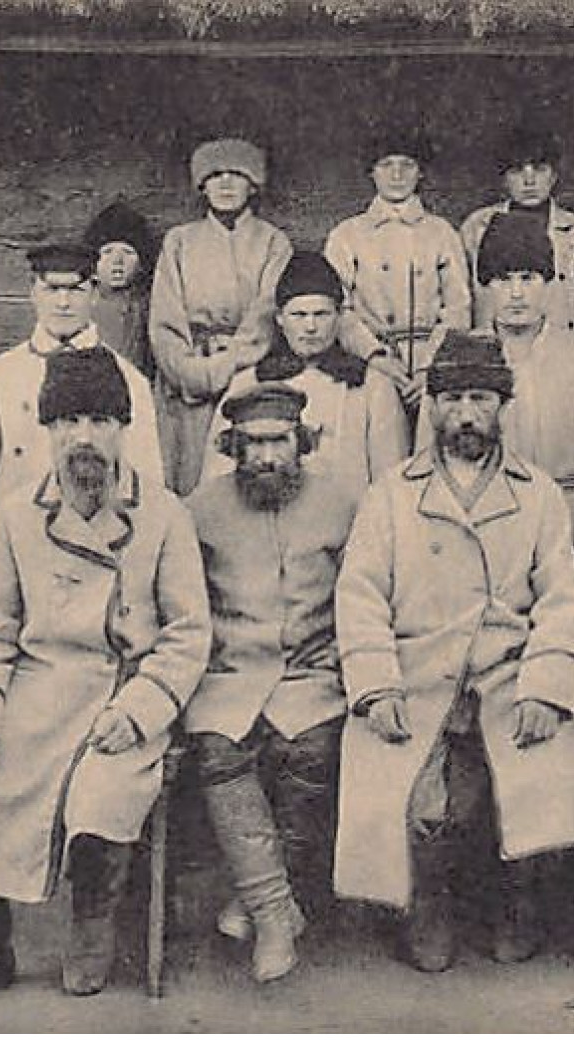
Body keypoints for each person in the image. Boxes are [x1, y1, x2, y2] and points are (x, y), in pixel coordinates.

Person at [0, 348, 211, 1014]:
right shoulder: (20, 515)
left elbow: (189, 634)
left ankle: (91, 931)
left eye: (101, 419)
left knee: (103, 798)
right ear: (45, 430)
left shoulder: (162, 514)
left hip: (122, 693)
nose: (83, 437)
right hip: (36, 690)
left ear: (123, 429)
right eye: (68, 419)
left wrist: (140, 709)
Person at [334, 332, 574, 972]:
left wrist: (545, 688)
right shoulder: (392, 493)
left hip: (508, 677)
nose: (466, 414)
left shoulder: (538, 495)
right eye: (450, 399)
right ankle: (430, 903)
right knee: (418, 798)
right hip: (418, 676)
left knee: (540, 777)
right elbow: (359, 595)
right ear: (432, 409)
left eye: (480, 398)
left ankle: (519, 902)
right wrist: (377, 685)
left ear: (502, 405)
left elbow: (561, 601)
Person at [184, 382, 362, 983]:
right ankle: (276, 913)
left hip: (312, 673)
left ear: (300, 442)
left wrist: (342, 664)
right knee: (219, 752)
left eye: (278, 442)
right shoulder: (200, 509)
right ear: (234, 447)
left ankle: (259, 901)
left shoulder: (341, 504)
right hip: (229, 674)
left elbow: (361, 599)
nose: (266, 457)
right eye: (253, 444)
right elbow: (185, 607)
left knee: (309, 753)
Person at [417, 210, 574, 553]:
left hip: (564, 519)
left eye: (528, 278)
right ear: (486, 285)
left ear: (547, 281)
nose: (516, 293)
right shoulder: (458, 353)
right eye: (503, 279)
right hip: (480, 520)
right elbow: (427, 456)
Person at [0, 242, 164, 529]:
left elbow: (146, 480)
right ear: (33, 293)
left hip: (96, 540)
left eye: (75, 290)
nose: (63, 303)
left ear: (94, 294)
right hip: (17, 537)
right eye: (52, 290)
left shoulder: (129, 380)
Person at [149, 137, 293, 495]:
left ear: (253, 185)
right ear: (202, 186)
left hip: (245, 375)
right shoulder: (179, 241)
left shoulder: (273, 242)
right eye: (215, 176)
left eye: (236, 175)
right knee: (184, 481)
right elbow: (164, 319)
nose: (226, 184)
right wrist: (190, 372)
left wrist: (227, 366)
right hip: (185, 385)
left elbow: (266, 314)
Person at [197, 251, 408, 489]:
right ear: (280, 319)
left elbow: (391, 480)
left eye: (321, 314)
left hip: (348, 521)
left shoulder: (372, 386)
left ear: (339, 317)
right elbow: (216, 478)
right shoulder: (248, 383)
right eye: (299, 315)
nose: (310, 327)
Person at [323, 126, 472, 414]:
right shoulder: (347, 234)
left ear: (421, 173)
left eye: (407, 165)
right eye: (386, 165)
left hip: (433, 370)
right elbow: (337, 308)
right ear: (372, 173)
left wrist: (430, 368)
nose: (396, 175)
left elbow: (458, 308)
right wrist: (375, 356)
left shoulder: (441, 233)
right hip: (372, 366)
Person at [459, 124, 574, 336]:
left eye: (539, 169)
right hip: (494, 354)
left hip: (560, 352)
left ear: (553, 176)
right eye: (518, 171)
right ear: (504, 179)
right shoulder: (476, 228)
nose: (529, 181)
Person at [83, 199, 158, 381]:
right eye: (107, 251)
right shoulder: (83, 305)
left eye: (128, 252)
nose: (117, 260)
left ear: (141, 264)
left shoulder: (148, 307)